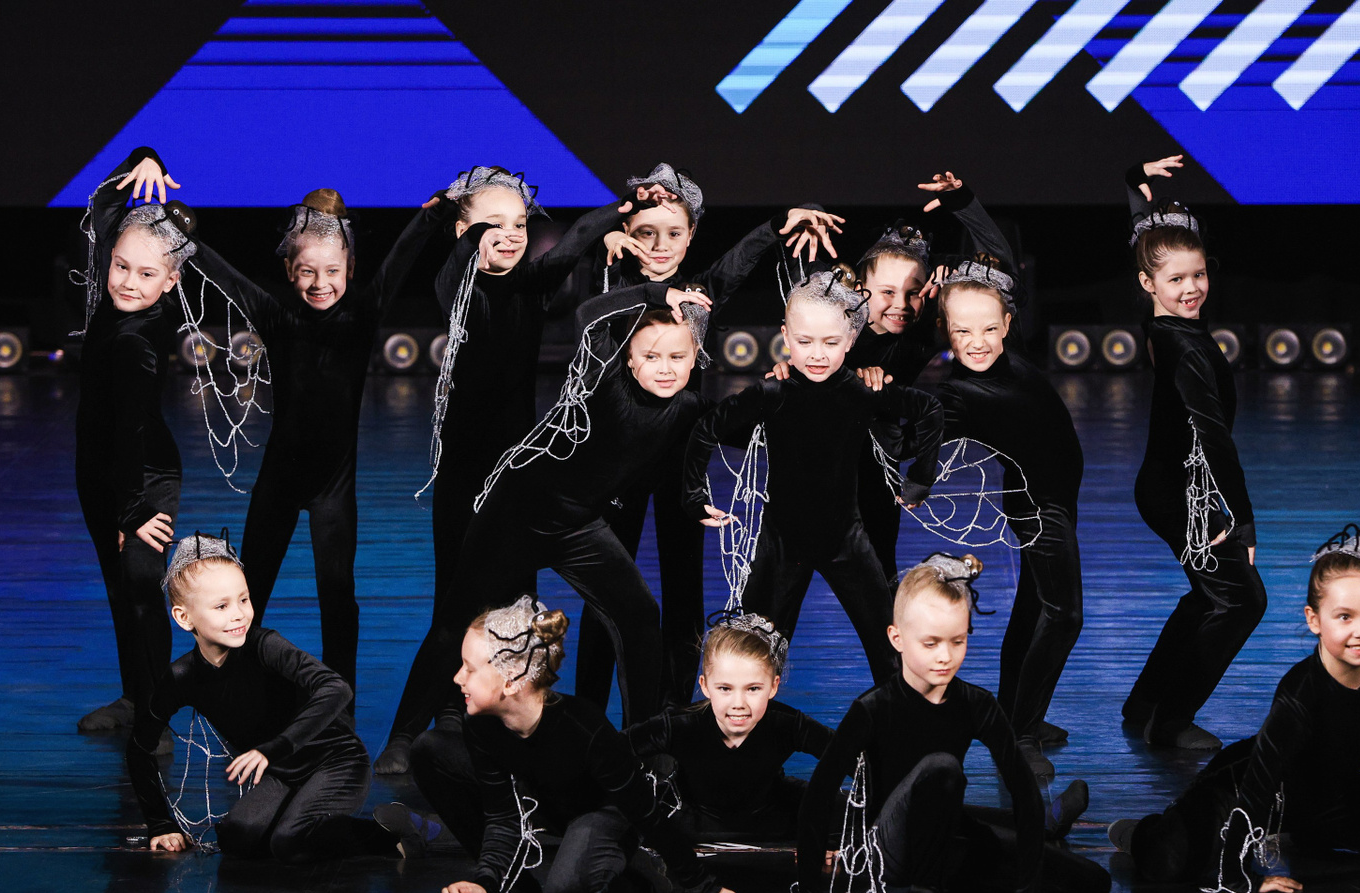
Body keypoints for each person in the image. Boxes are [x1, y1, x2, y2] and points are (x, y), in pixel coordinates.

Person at [376, 168, 626, 775]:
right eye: (494, 225)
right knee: (454, 606)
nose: (511, 235)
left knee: (518, 604)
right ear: (465, 230)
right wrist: (452, 220)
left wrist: (620, 210)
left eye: (519, 224)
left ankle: (518, 722)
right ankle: (414, 728)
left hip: (517, 474)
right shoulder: (458, 286)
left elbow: (573, 242)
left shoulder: (533, 285)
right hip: (463, 474)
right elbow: (449, 264)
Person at [388, 283, 712, 745]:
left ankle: (640, 741)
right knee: (455, 618)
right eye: (651, 356)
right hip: (515, 514)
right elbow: (588, 314)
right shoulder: (603, 378)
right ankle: (403, 735)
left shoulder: (687, 407)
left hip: (577, 527)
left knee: (640, 615)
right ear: (628, 358)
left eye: (677, 357)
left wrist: (784, 384)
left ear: (695, 357)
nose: (664, 368)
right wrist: (657, 292)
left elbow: (736, 419)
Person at [574, 164, 842, 711]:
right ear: (626, 232)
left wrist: (779, 223)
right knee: (605, 592)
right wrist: (604, 244)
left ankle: (676, 707)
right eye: (646, 232)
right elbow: (582, 305)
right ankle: (587, 712)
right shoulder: (612, 280)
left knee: (684, 587)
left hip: (680, 460)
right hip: (616, 466)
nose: (660, 245)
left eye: (674, 232)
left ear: (692, 233)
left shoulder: (700, 292)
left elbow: (740, 261)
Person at [180, 188, 449, 686]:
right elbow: (226, 277)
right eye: (307, 271)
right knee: (251, 587)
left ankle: (339, 704)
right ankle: (233, 689)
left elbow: (401, 258)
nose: (320, 283)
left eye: (332, 271)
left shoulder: (364, 315)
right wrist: (179, 235)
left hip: (333, 489)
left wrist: (430, 218)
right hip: (278, 483)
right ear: (289, 270)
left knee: (337, 595)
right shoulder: (276, 317)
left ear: (350, 268)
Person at [1110, 525, 1360, 893]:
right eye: (1344, 617)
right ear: (1314, 620)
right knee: (1170, 862)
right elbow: (1257, 785)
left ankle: (1307, 832)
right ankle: (1140, 831)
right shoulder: (1300, 689)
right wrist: (1239, 875)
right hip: (1250, 787)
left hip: (1331, 797)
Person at [406, 597, 765, 893]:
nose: (458, 677)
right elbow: (502, 817)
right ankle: (511, 889)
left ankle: (645, 882)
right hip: (547, 801)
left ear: (512, 681)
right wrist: (487, 883)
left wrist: (702, 889)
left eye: (469, 668)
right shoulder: (480, 725)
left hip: (605, 812)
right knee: (428, 750)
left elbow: (645, 812)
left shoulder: (583, 728)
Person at [794, 554, 1108, 893]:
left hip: (949, 837)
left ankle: (973, 872)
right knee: (941, 767)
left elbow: (1024, 791)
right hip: (889, 850)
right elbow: (818, 797)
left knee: (1092, 883)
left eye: (957, 641)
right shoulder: (873, 708)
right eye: (930, 644)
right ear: (897, 638)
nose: (945, 657)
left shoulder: (976, 704)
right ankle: (924, 890)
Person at [684, 269, 943, 687]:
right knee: (749, 656)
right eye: (805, 342)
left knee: (891, 656)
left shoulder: (861, 391)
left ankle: (898, 724)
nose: (817, 355)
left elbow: (929, 410)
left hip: (847, 542)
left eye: (830, 343)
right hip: (780, 545)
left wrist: (921, 478)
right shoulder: (773, 392)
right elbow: (706, 429)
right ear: (786, 337)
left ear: (851, 340)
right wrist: (692, 495)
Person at [125, 532, 404, 861]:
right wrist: (160, 824)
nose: (239, 614)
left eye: (244, 600)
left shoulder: (264, 645)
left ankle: (401, 832)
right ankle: (304, 822)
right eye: (222, 606)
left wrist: (273, 749)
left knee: (290, 840)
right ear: (184, 618)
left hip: (336, 762)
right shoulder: (182, 676)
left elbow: (336, 687)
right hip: (282, 774)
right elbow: (139, 748)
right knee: (236, 837)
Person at [1120, 155, 1267, 750]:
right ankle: (1171, 722)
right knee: (1243, 601)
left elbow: (1144, 241)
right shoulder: (1182, 348)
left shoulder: (1168, 328)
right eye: (1176, 279)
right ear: (1148, 284)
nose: (1191, 288)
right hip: (1182, 495)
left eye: (1198, 275)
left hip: (1172, 487)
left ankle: (1145, 704)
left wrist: (1135, 183)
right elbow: (1213, 436)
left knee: (1212, 595)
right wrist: (1242, 518)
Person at [933, 253, 1085, 783]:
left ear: (1007, 323)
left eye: (989, 328)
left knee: (1033, 608)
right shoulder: (959, 392)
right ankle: (1018, 736)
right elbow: (924, 437)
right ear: (946, 332)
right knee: (1064, 616)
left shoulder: (1008, 354)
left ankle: (1015, 715)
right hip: (1037, 508)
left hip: (1060, 498)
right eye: (962, 331)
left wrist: (964, 210)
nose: (977, 341)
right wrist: (917, 480)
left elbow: (998, 257)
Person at [73, 146, 193, 733]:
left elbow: (133, 429)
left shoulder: (139, 339)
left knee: (144, 589)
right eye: (120, 266)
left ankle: (155, 717)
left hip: (144, 480)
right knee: (120, 590)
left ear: (171, 281)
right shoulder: (113, 295)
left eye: (146, 275)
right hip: (100, 474)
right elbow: (102, 208)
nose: (127, 282)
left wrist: (133, 510)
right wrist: (145, 157)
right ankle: (133, 697)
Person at [626, 612, 832, 842]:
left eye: (753, 689)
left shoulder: (786, 723)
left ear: (773, 687)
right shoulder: (680, 725)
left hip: (771, 819)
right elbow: (610, 751)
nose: (738, 704)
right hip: (691, 823)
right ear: (705, 686)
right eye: (725, 688)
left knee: (839, 804)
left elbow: (848, 754)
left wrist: (828, 843)